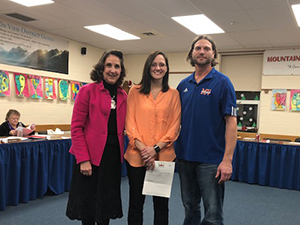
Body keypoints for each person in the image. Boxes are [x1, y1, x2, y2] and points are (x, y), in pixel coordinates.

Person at [175, 35, 237, 225]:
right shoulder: (183, 85)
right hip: (185, 158)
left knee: (213, 213)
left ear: (213, 54)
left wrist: (227, 160)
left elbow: (231, 123)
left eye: (207, 48)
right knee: (190, 207)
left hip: (210, 162)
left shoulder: (223, 83)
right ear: (191, 53)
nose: (202, 52)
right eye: (198, 48)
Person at [66, 50, 127, 225]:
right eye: (109, 65)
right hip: (90, 159)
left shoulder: (123, 95)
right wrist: (83, 159)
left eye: (117, 66)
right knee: (88, 207)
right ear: (101, 68)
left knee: (106, 206)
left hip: (112, 159)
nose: (113, 70)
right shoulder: (87, 91)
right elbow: (76, 128)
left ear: (121, 71)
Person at [125, 51, 181, 225]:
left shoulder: (173, 94)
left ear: (167, 68)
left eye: (162, 65)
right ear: (148, 67)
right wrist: (145, 150)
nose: (158, 68)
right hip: (137, 156)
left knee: (161, 205)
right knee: (136, 203)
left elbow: (174, 126)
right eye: (154, 64)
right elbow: (130, 123)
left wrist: (155, 149)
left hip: (163, 157)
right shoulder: (134, 91)